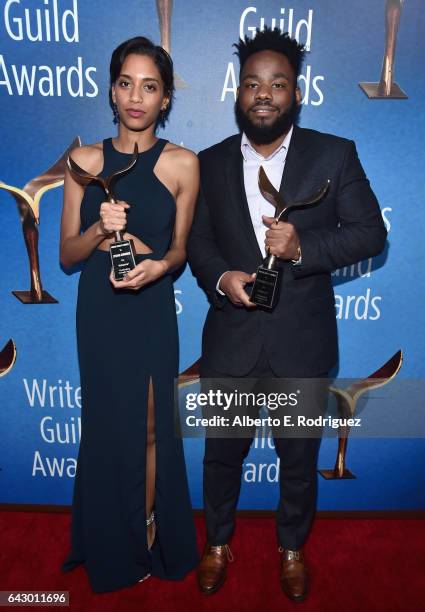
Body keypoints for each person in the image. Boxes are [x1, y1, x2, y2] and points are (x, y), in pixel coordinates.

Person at [187, 27, 387, 602]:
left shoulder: (334, 154)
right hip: (230, 341)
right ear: (238, 92)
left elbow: (372, 234)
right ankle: (217, 544)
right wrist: (223, 278)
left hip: (302, 343)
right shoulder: (211, 162)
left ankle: (292, 547)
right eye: (253, 84)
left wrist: (302, 249)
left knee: (299, 462)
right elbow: (199, 244)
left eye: (277, 84)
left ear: (296, 92)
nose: (264, 95)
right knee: (221, 457)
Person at [60, 36, 199, 593]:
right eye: (126, 83)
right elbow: (67, 255)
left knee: (148, 425)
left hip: (151, 304)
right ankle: (109, 539)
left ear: (165, 98)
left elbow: (182, 250)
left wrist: (159, 265)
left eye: (150, 86)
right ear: (112, 90)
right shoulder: (84, 162)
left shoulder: (184, 164)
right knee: (105, 426)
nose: (136, 96)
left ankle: (146, 531)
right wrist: (100, 228)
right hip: (100, 308)